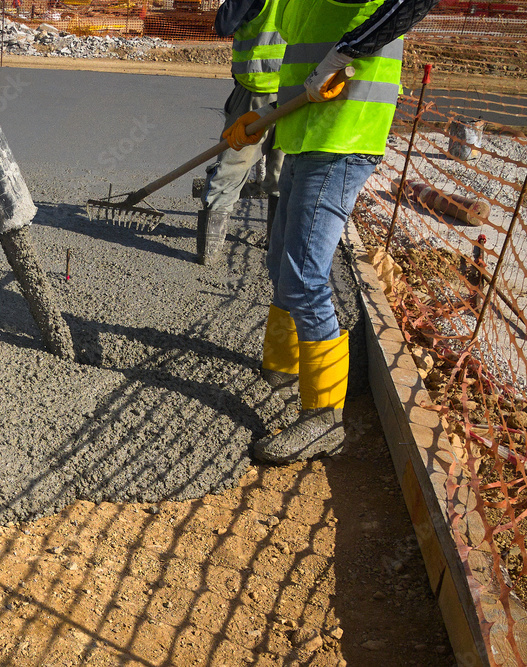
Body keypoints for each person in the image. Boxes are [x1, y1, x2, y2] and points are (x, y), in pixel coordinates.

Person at [220, 0, 440, 462]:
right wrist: (264, 118)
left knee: (304, 277)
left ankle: (323, 420)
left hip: (344, 138)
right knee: (279, 262)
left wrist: (344, 54)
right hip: (303, 134)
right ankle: (283, 368)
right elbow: (298, 63)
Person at [197, 0, 286, 264]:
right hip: (298, 93)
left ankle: (209, 254)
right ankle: (277, 248)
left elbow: (224, 25)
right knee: (283, 175)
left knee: (230, 169)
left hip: (257, 94)